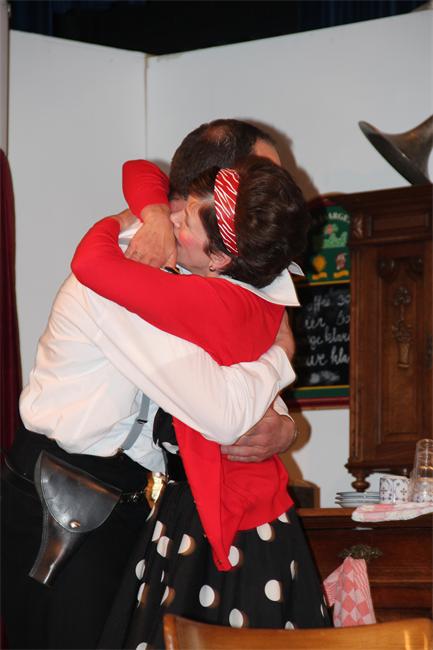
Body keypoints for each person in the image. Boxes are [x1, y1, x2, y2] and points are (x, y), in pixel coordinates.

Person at [1, 119, 298, 650]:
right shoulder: (131, 273)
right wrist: (281, 357)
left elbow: (243, 359)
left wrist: (284, 426)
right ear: (208, 193)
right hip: (62, 496)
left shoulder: (203, 271)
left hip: (135, 499)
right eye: (257, 178)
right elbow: (223, 412)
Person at [71, 154, 330, 649]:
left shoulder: (209, 302)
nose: (172, 221)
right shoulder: (265, 285)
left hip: (220, 530)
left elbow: (89, 264)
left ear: (219, 258)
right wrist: (156, 215)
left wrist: (122, 221)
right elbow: (139, 168)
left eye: (185, 223)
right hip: (250, 516)